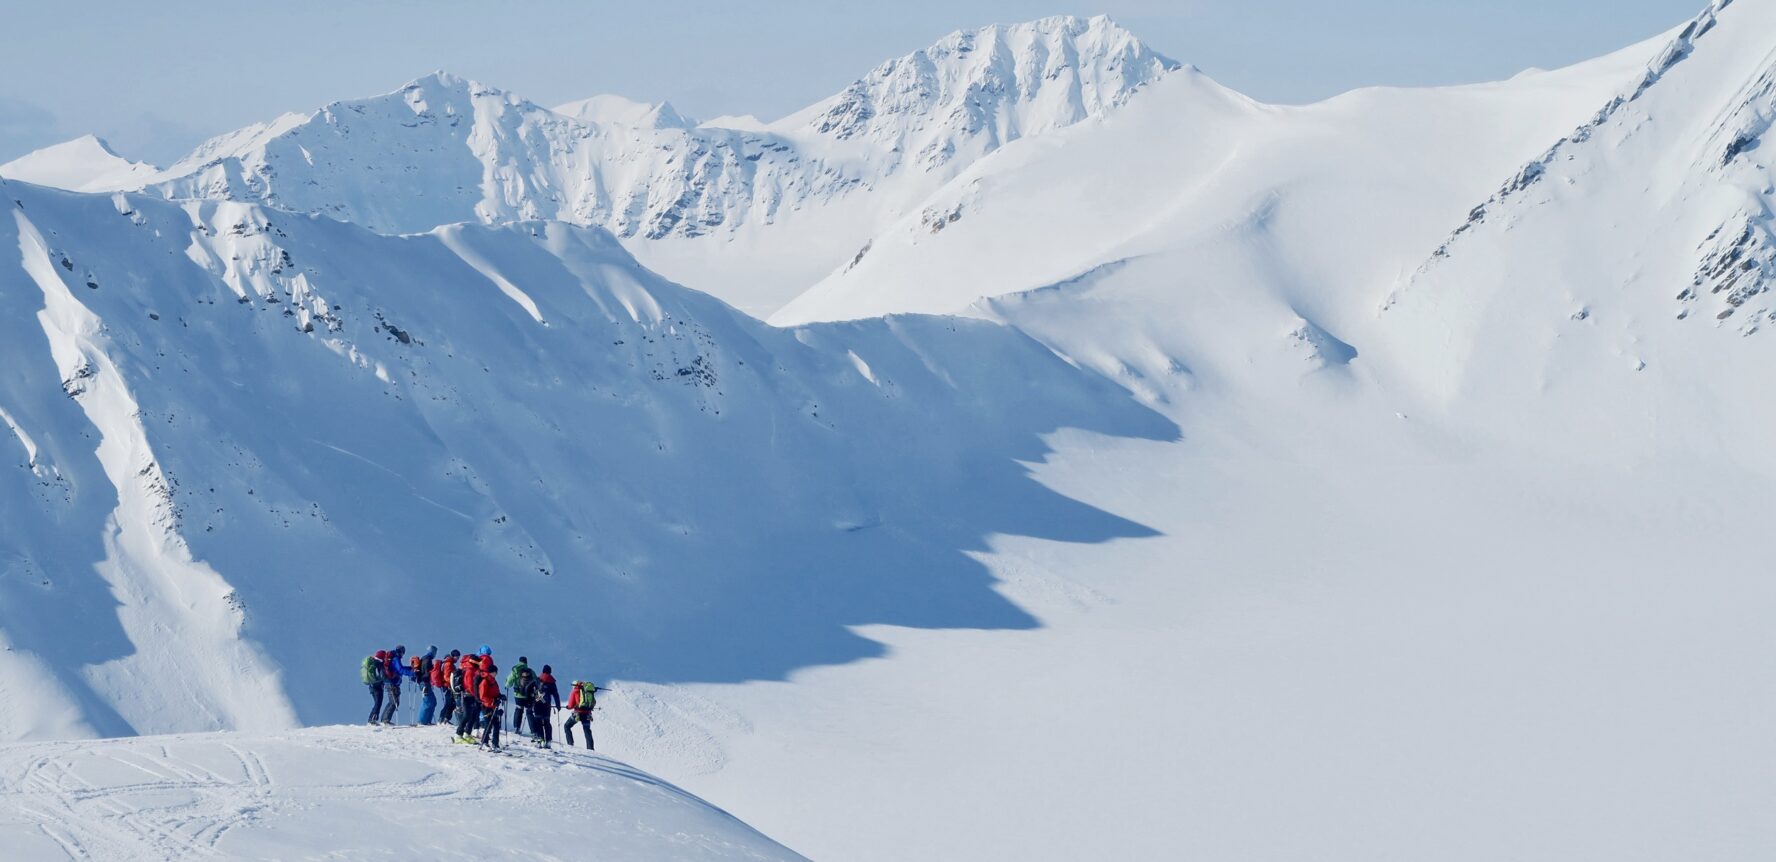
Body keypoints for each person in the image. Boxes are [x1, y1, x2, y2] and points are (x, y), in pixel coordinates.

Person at [527, 665, 560, 748]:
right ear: (550, 672)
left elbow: (527, 688)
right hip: (547, 705)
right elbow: (556, 695)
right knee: (547, 722)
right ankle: (548, 741)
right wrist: (558, 705)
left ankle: (540, 739)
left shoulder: (537, 679)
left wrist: (530, 697)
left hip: (537, 703)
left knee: (538, 721)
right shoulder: (552, 682)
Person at [564, 679, 599, 750]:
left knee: (567, 726)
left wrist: (568, 707)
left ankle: (570, 744)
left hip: (578, 714)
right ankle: (590, 748)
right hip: (587, 714)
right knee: (587, 730)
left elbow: (571, 705)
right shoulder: (587, 691)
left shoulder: (575, 691)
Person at [379, 645, 409, 725]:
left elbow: (399, 668)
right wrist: (412, 673)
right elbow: (400, 669)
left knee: (394, 702)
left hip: (391, 683)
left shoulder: (394, 658)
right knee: (394, 702)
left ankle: (384, 719)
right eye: (403, 652)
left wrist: (409, 668)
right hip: (392, 683)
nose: (403, 655)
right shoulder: (395, 659)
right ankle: (385, 720)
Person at [477, 668, 503, 749]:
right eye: (495, 672)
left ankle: (495, 743)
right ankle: (484, 742)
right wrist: (493, 701)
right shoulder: (485, 681)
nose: (496, 674)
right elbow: (482, 696)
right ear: (492, 672)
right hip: (487, 706)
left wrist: (500, 696)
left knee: (496, 725)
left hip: (493, 706)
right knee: (489, 725)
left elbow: (496, 692)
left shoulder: (493, 681)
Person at [508, 657, 535, 735]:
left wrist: (507, 685)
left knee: (519, 710)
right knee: (529, 712)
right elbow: (536, 681)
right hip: (528, 695)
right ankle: (533, 731)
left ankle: (516, 728)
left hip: (518, 695)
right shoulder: (530, 671)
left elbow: (509, 681)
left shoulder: (515, 670)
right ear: (526, 662)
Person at [363, 650, 389, 725]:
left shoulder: (372, 662)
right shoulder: (379, 664)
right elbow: (382, 676)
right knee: (378, 703)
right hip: (377, 686)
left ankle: (371, 719)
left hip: (371, 686)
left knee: (376, 703)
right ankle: (372, 720)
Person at [415, 645, 439, 725]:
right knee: (428, 701)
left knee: (432, 701)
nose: (435, 654)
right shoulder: (427, 660)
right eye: (435, 652)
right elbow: (426, 672)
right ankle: (422, 721)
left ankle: (427, 720)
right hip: (424, 683)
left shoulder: (425, 659)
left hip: (425, 683)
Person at [436, 649, 459, 724]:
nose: (457, 659)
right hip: (449, 686)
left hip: (450, 686)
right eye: (457, 657)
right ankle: (442, 718)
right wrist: (454, 682)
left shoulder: (450, 663)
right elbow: (446, 676)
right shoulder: (448, 663)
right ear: (453, 656)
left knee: (452, 703)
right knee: (449, 703)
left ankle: (445, 718)